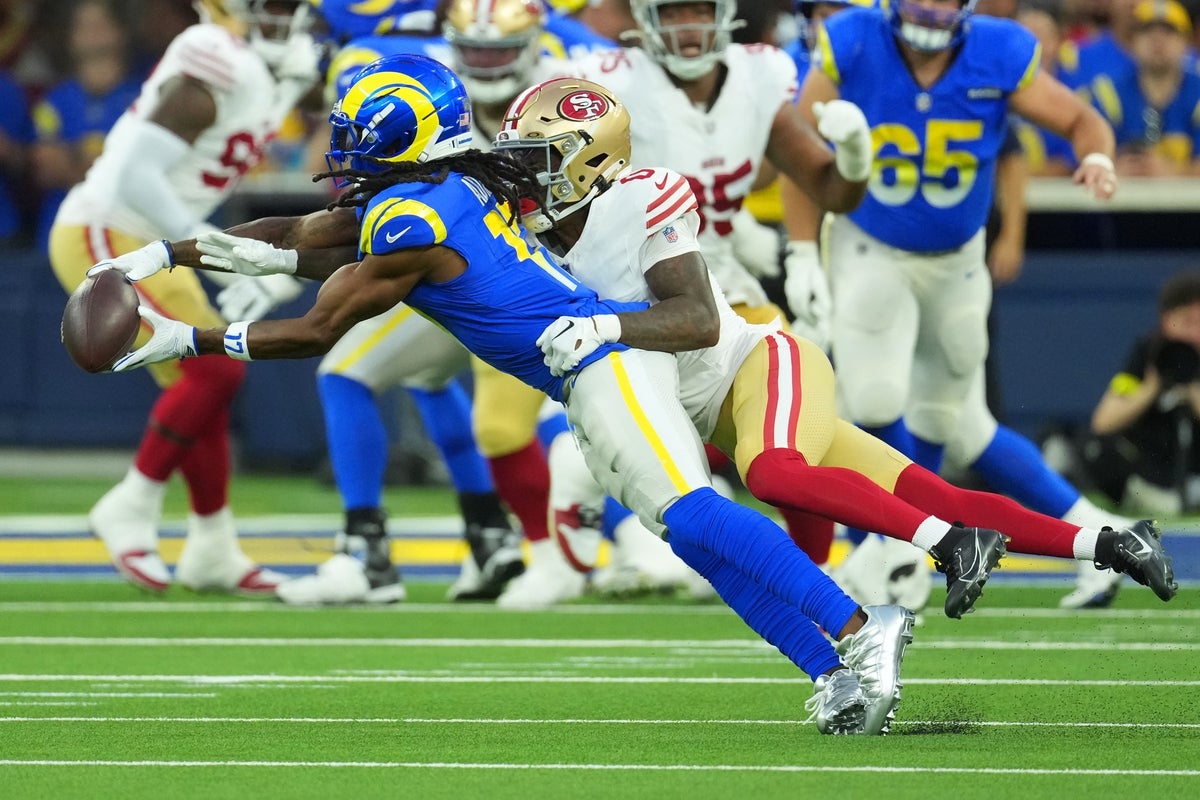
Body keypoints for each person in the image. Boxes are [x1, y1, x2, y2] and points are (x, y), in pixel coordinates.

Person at [93, 51, 920, 737]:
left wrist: (181, 339)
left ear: (400, 137)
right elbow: (290, 239)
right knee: (688, 536)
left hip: (600, 360)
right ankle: (833, 669)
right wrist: (161, 256)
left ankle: (858, 627)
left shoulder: (414, 222)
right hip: (583, 371)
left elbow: (314, 329)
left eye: (356, 137)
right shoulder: (430, 189)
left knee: (694, 516)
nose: (340, 152)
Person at [488, 75, 1178, 626]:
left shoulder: (642, 200)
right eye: (516, 157)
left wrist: (606, 327)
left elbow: (697, 320)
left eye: (538, 159)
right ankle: (1116, 541)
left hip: (759, 367)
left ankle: (947, 544)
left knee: (774, 475)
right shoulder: (517, 231)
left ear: (594, 161)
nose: (522, 174)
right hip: (718, 405)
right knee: (935, 493)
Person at [791, 0, 1141, 609]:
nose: (931, 7)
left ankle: (1096, 541)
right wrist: (800, 251)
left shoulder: (998, 51)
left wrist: (1097, 156)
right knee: (873, 399)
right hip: (872, 244)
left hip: (957, 261)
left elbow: (1081, 118)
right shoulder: (852, 40)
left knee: (950, 422)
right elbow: (798, 152)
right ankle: (901, 549)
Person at [47, 0, 323, 594]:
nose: (287, 21)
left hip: (151, 236)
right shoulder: (215, 55)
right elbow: (135, 178)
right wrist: (231, 266)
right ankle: (133, 501)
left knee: (212, 383)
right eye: (273, 7)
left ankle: (212, 547)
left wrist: (290, 84)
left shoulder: (260, 66)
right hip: (109, 228)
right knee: (214, 376)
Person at [1083, 269, 1200, 514]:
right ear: (1166, 320)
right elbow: (1103, 422)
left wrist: (1191, 388)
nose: (1195, 333)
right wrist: (1152, 386)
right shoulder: (1149, 352)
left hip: (1194, 468)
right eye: (1188, 322)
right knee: (1097, 449)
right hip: (1152, 466)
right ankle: (1153, 497)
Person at [31, 0, 145, 250]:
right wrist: (105, 163)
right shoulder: (54, 101)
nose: (92, 33)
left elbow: (140, 173)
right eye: (83, 26)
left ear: (121, 32)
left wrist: (72, 158)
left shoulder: (146, 97)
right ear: (71, 38)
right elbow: (46, 170)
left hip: (126, 239)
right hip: (59, 238)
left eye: (101, 24)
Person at [1089, 0, 1200, 177]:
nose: (1158, 40)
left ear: (1186, 42)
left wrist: (1173, 172)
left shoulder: (1197, 93)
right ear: (1131, 42)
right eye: (1147, 31)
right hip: (1121, 201)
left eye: (1169, 32)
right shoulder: (1107, 92)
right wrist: (1110, 169)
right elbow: (1086, 159)